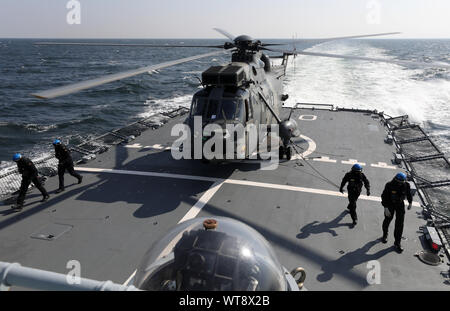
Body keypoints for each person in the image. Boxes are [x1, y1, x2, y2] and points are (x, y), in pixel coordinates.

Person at [381, 172, 413, 253]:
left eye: (402, 182)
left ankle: (397, 242)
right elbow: (384, 197)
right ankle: (385, 235)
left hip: (400, 205)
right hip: (389, 204)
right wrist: (385, 208)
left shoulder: (406, 185)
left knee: (400, 224)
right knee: (387, 220)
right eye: (400, 182)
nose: (401, 183)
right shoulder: (389, 185)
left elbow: (409, 194)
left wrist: (410, 202)